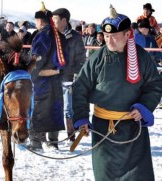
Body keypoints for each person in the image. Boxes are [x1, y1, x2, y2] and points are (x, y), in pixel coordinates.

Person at [72, 5, 162, 181]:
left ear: (127, 34)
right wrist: (82, 117)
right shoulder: (96, 59)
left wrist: (144, 107)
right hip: (103, 129)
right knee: (106, 175)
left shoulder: (142, 57)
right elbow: (80, 88)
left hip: (133, 129)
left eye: (114, 37)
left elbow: (155, 85)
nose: (109, 41)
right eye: (106, 36)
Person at [28, 2, 68, 150]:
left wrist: (32, 72)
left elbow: (37, 59)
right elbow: (66, 61)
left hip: (41, 80)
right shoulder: (61, 36)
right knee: (55, 107)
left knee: (39, 108)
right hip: (57, 78)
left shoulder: (41, 35)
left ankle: (36, 141)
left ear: (39, 21)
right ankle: (53, 141)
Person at [52, 8, 86, 144]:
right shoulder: (52, 36)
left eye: (55, 20)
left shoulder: (75, 37)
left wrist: (75, 76)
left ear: (64, 21)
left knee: (68, 108)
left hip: (68, 79)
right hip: (52, 78)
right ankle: (52, 140)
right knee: (53, 107)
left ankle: (71, 135)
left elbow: (81, 59)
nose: (53, 23)